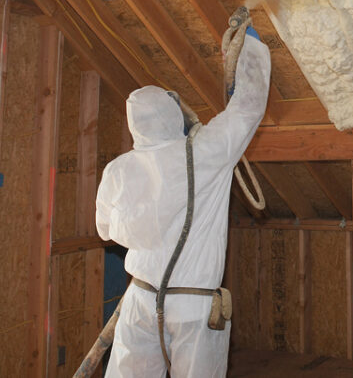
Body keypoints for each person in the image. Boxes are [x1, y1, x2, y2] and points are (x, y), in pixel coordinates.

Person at [95, 24, 270, 377]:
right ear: (172, 115)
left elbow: (105, 230)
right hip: (193, 309)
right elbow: (247, 108)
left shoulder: (119, 169)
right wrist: (248, 46)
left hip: (140, 302)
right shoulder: (204, 152)